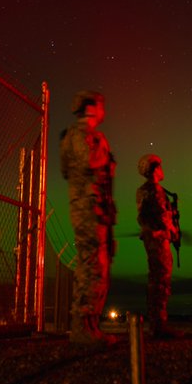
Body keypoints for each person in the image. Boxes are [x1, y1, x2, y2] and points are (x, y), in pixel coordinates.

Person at [59, 90, 118, 344]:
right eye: (100, 105)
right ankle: (82, 327)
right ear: (90, 108)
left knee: (99, 266)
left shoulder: (86, 136)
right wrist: (104, 154)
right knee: (92, 265)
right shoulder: (80, 135)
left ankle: (90, 324)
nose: (104, 109)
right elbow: (87, 161)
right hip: (87, 208)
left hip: (95, 208)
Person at [136, 154, 184, 339]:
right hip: (157, 239)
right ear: (154, 169)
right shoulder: (151, 191)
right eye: (159, 166)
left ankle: (158, 324)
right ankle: (158, 326)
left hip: (159, 238)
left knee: (160, 280)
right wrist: (165, 230)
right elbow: (149, 217)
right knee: (160, 281)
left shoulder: (154, 190)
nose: (162, 169)